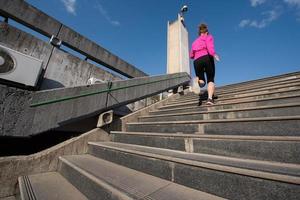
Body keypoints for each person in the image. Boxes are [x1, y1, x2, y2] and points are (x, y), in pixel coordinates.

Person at [190, 23, 220, 105]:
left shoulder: (194, 42)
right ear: (206, 32)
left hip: (196, 61)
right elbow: (210, 48)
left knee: (202, 81)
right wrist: (214, 54)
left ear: (199, 33)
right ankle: (210, 99)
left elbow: (191, 55)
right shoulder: (208, 37)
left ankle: (198, 82)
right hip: (207, 58)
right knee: (210, 79)